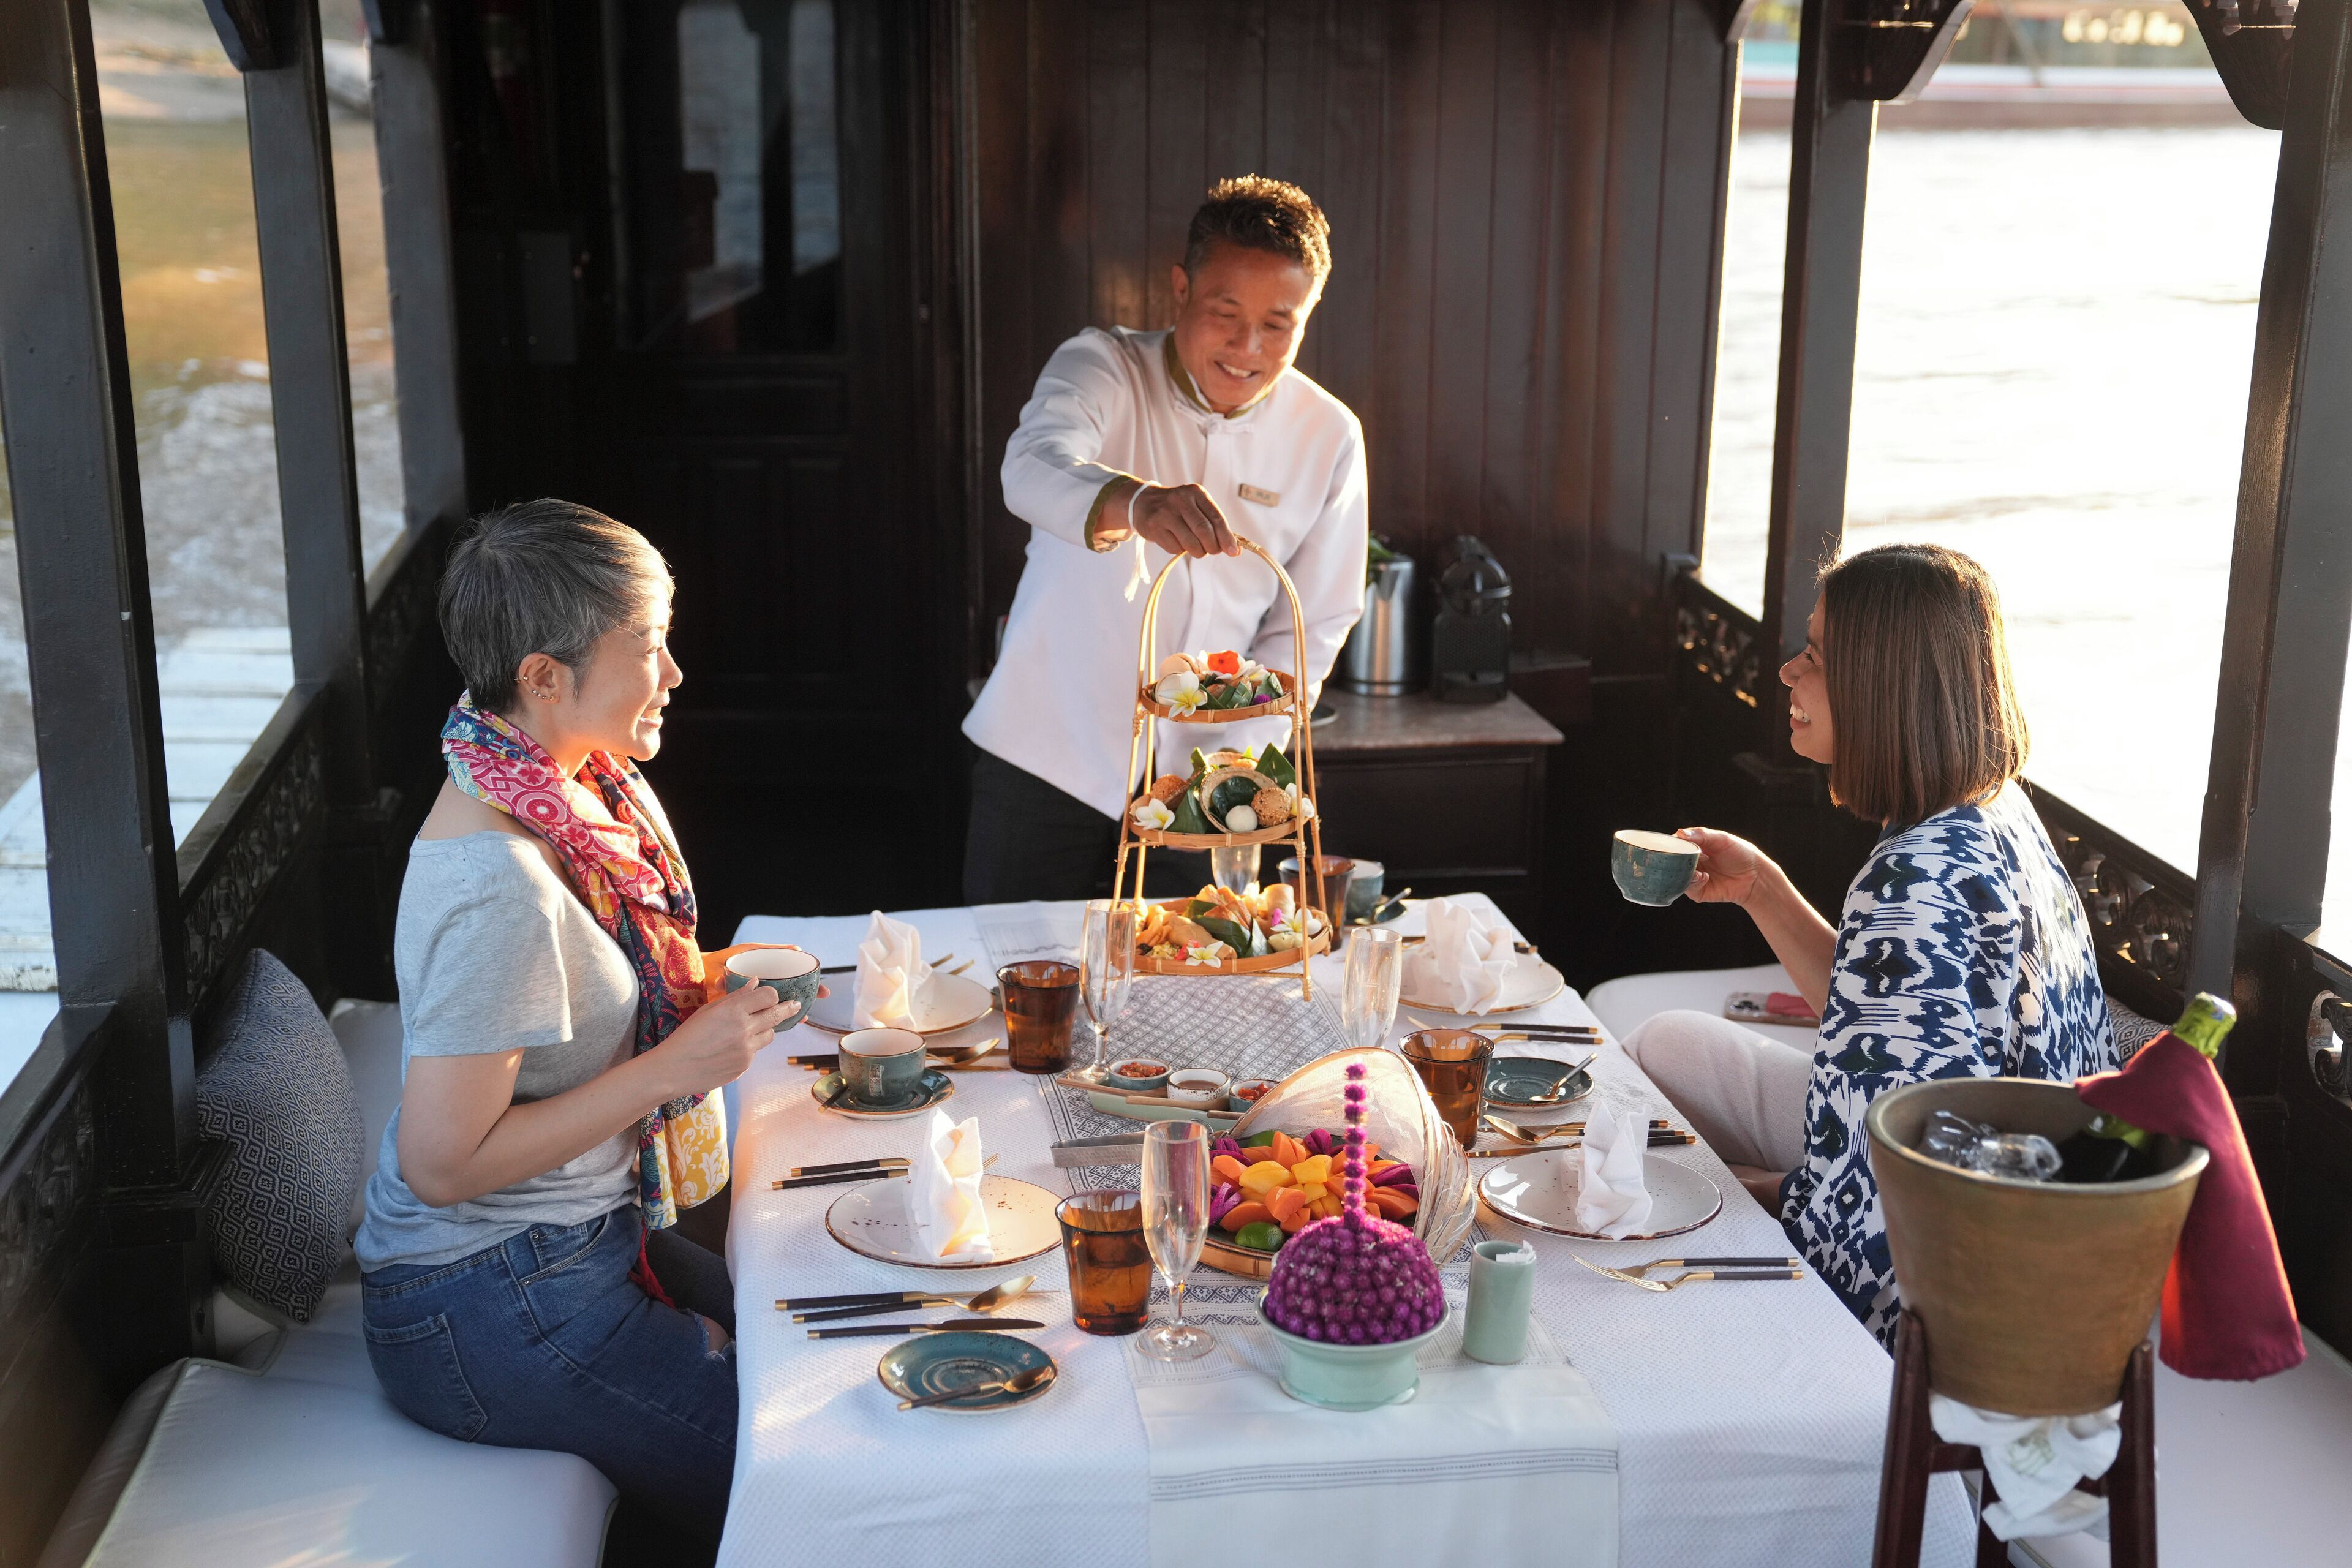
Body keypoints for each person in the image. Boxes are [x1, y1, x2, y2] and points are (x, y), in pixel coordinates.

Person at [354, 500, 801, 1542]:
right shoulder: (494, 881)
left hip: (576, 1242)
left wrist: (729, 980)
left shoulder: (567, 791)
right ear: (545, 678)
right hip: (482, 1300)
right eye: (649, 647)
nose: (675, 673)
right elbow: (443, 1164)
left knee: (830, 1340)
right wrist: (668, 1069)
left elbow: (595, 993)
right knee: (817, 1472)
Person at [1621, 543, 2118, 1345]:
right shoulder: (1995, 811)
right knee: (1666, 1045)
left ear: (1878, 688)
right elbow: (1885, 1022)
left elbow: (1878, 1193)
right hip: (2024, 1188)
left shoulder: (1914, 883)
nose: (1787, 673)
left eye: (1813, 657)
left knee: (1636, 1176)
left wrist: (1714, 1191)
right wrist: (1763, 892)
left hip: (1959, 1257)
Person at [962, 175, 1368, 901]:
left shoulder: (1330, 435)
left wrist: (1236, 759)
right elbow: (1029, 466)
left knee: (1190, 986)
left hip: (1208, 783)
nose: (1249, 348)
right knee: (1018, 981)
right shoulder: (1102, 366)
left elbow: (1319, 616)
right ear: (1181, 288)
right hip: (1044, 757)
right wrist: (1135, 501)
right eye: (1226, 313)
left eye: (1280, 323)